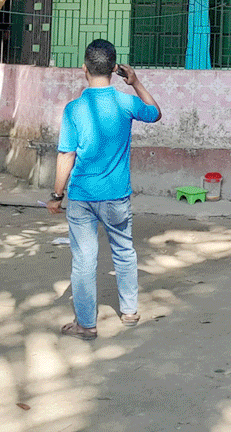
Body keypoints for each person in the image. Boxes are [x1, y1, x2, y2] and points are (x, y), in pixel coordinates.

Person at [49, 39, 161, 340]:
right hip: (117, 194)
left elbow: (66, 156)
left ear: (83, 68)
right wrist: (136, 82)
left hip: (83, 196)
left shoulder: (74, 109)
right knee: (124, 251)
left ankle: (86, 324)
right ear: (115, 69)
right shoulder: (126, 102)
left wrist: (56, 196)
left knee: (84, 259)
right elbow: (155, 112)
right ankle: (129, 311)